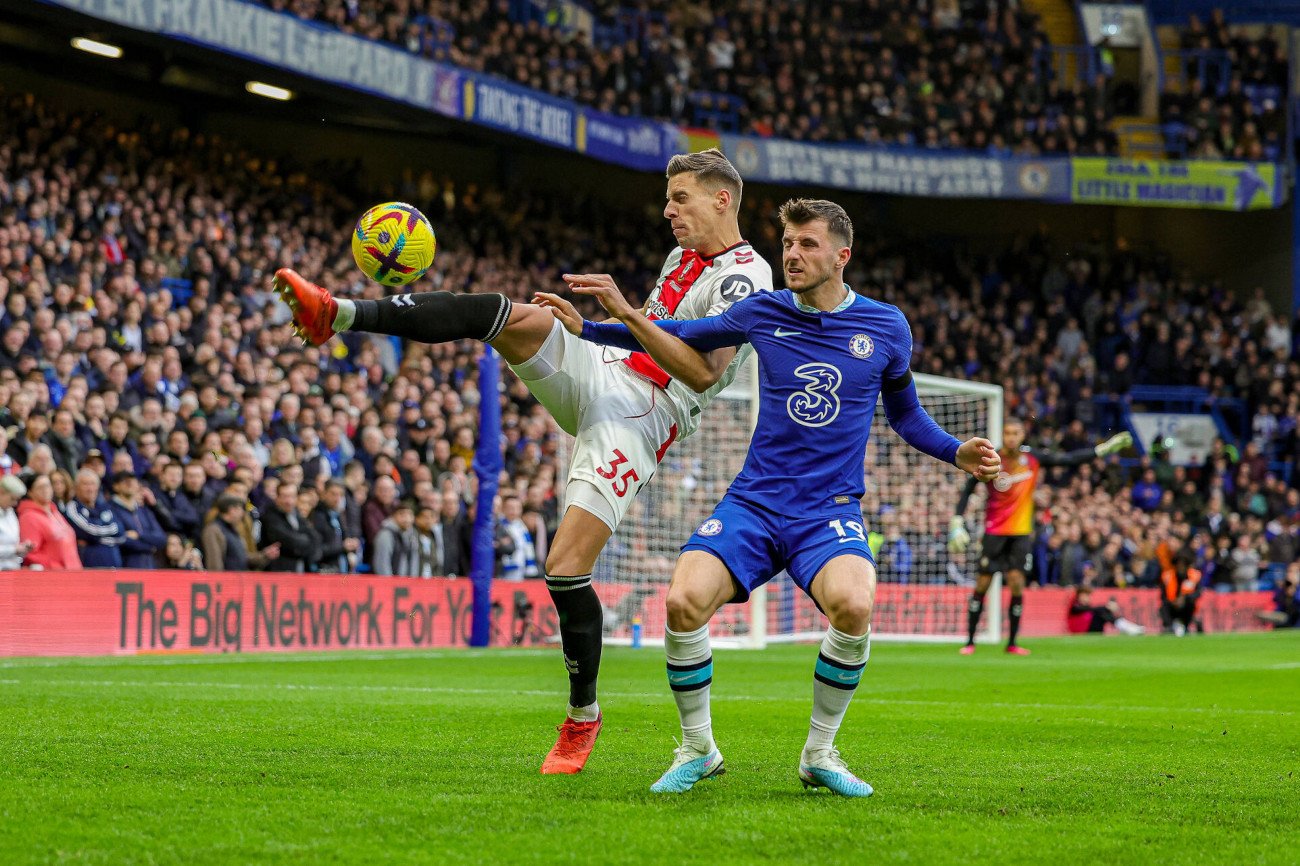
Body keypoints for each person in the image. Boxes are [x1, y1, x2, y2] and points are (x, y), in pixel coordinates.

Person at [276, 148, 774, 772]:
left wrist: (620, 313)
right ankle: (339, 313)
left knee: (564, 567)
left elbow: (702, 372)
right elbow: (647, 332)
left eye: (680, 199)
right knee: (506, 315)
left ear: (722, 200)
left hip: (643, 413)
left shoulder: (745, 276)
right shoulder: (682, 257)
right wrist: (593, 329)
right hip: (607, 364)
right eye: (668, 200)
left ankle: (582, 716)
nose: (668, 212)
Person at [544, 198, 999, 795]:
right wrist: (597, 326)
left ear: (842, 255)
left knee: (854, 604)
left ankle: (820, 753)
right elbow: (682, 334)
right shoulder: (763, 311)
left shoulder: (887, 326)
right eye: (787, 243)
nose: (792, 254)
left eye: (808, 244)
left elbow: (905, 415)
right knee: (682, 601)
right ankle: (698, 749)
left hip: (828, 511)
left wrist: (955, 451)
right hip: (754, 503)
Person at [947, 418, 1131, 655]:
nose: (1011, 437)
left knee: (1016, 584)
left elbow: (1067, 459)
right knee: (982, 584)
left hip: (1020, 533)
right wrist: (957, 520)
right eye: (1007, 433)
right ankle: (970, 641)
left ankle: (1012, 643)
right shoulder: (992, 458)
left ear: (1022, 435)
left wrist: (1101, 450)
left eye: (1015, 433)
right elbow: (968, 489)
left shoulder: (1032, 458)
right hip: (994, 532)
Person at [18, 473, 81, 570]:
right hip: (54, 574)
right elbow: (30, 553)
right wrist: (55, 567)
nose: (45, 490)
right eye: (40, 487)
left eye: (47, 486)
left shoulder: (54, 512)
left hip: (73, 571)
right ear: (30, 492)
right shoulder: (28, 517)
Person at [64, 468, 125, 568]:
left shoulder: (105, 507)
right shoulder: (72, 508)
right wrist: (109, 533)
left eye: (93, 484)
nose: (90, 489)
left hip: (114, 567)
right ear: (76, 487)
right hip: (89, 568)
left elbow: (121, 532)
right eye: (85, 484)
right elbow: (89, 531)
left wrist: (96, 539)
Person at [107, 472, 168, 569]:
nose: (129, 483)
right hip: (125, 566)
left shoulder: (144, 511)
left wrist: (139, 535)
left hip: (149, 566)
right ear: (115, 486)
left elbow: (161, 538)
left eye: (132, 480)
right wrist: (150, 547)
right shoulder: (109, 509)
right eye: (125, 481)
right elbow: (121, 539)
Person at [202, 496, 279, 571]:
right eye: (240, 509)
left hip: (238, 578)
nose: (243, 513)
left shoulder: (232, 530)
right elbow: (214, 563)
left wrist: (265, 555)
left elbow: (242, 558)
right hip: (226, 579)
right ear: (232, 510)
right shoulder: (213, 530)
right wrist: (218, 579)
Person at [260, 482, 317, 572]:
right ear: (277, 497)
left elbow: (315, 540)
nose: (288, 501)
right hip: (278, 571)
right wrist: (305, 543)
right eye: (284, 496)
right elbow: (285, 539)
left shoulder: (298, 515)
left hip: (300, 570)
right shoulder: (270, 516)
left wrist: (305, 544)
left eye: (292, 496)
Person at [311, 480, 360, 573]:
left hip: (341, 570)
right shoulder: (317, 516)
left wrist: (351, 546)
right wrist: (343, 547)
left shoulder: (338, 515)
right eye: (333, 494)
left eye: (340, 495)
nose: (337, 498)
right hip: (324, 571)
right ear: (324, 494)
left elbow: (345, 538)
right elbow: (318, 550)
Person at [1066, 585, 1145, 634]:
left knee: (1103, 612)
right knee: (1101, 612)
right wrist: (1106, 607)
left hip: (1088, 629)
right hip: (1081, 631)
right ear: (1079, 596)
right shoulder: (1075, 606)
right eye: (1085, 595)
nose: (1087, 598)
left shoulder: (1085, 606)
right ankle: (1126, 627)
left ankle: (1126, 626)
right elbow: (1087, 609)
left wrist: (1106, 608)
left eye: (1088, 595)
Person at [498, 494, 539, 582]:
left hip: (520, 568)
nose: (514, 511)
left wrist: (530, 565)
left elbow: (528, 547)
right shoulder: (498, 525)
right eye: (510, 508)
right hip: (501, 570)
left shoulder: (521, 527)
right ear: (503, 508)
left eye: (517, 508)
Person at [1160, 551, 1202, 636]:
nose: (1181, 567)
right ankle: (1169, 626)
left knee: (1191, 603)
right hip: (1172, 605)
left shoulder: (1194, 576)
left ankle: (1186, 626)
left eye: (1183, 565)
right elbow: (1163, 596)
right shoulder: (1168, 576)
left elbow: (1198, 593)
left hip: (1186, 606)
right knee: (1164, 606)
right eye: (1178, 564)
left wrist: (1185, 598)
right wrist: (1173, 601)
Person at [372, 500, 419, 576]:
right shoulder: (385, 535)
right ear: (393, 516)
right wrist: (389, 582)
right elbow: (382, 564)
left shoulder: (412, 535)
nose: (406, 518)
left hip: (406, 582)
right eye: (402, 514)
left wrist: (412, 581)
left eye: (410, 514)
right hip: (389, 582)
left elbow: (414, 562)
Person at [0, 474, 34, 569]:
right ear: (1, 492)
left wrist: (23, 547)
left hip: (13, 568)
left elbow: (14, 542)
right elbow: (13, 548)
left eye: (17, 500)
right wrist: (14, 549)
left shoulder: (10, 512)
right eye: (12, 499)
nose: (15, 503)